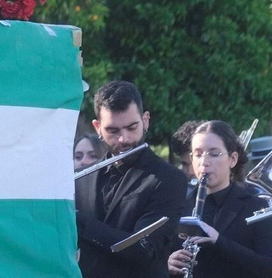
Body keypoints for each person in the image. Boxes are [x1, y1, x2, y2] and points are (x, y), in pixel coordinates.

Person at [75, 80, 189, 278]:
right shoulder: (82, 179)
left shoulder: (169, 179)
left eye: (131, 127)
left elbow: (142, 249)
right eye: (113, 131)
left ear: (145, 120)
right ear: (97, 128)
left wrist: (78, 219)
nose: (124, 139)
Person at [166, 119, 272, 277]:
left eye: (214, 154)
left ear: (233, 159)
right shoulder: (179, 205)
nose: (204, 162)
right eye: (198, 155)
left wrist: (219, 241)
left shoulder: (254, 205)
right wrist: (168, 264)